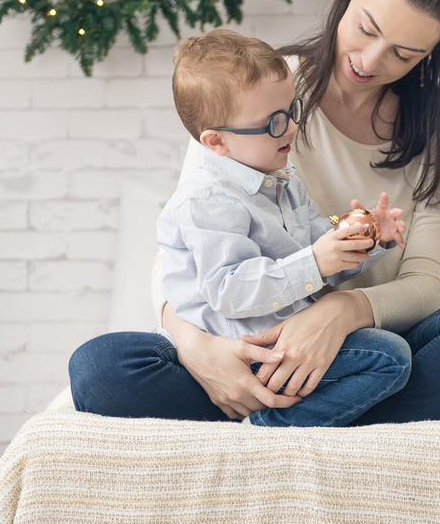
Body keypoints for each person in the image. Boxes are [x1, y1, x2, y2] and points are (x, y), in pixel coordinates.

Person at [69, 0, 440, 424]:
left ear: (435, 54)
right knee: (100, 368)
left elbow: (426, 285)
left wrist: (341, 313)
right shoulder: (254, 91)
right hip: (249, 343)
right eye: (365, 28)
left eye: (403, 54)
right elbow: (188, 251)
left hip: (367, 353)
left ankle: (296, 416)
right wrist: (197, 349)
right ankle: (330, 418)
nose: (369, 60)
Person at [156, 29, 410, 427]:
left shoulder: (284, 180)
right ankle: (270, 427)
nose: (291, 127)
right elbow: (229, 291)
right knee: (387, 358)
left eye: (292, 110)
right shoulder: (207, 199)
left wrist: (362, 238)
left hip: (289, 343)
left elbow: (318, 256)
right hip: (243, 352)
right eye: (273, 122)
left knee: (390, 354)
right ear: (216, 141)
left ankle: (276, 415)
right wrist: (315, 261)